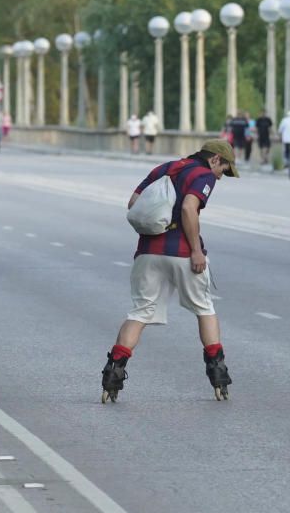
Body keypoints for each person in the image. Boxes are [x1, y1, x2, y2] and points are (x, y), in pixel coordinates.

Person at [101, 139, 239, 403]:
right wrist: (196, 250)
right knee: (204, 308)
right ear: (214, 160)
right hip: (182, 254)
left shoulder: (165, 168)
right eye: (224, 169)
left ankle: (112, 374)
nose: (221, 177)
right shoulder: (203, 175)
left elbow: (134, 203)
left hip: (148, 252)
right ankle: (218, 375)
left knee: (140, 312)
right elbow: (189, 207)